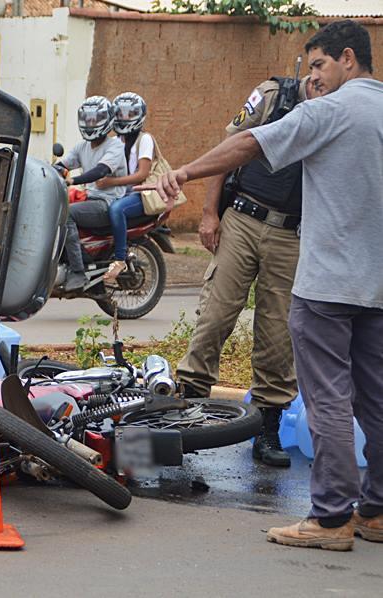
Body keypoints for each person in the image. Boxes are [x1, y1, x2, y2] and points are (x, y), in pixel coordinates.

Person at [149, 20, 382, 551]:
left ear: (349, 58)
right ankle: (376, 511)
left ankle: (329, 519)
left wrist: (182, 173)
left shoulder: (328, 111)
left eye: (321, 64)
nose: (314, 76)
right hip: (374, 284)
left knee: (326, 400)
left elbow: (247, 144)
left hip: (325, 283)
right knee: (375, 400)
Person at [175, 75, 316, 468]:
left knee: (277, 333)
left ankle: (266, 428)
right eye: (316, 68)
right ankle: (187, 410)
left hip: (293, 232)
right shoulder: (275, 95)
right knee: (215, 316)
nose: (322, 80)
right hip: (244, 218)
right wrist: (208, 213)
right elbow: (229, 149)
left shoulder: (334, 111)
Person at [92, 92, 167, 282]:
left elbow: (142, 174)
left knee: (117, 209)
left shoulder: (145, 139)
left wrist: (110, 183)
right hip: (122, 191)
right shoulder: (117, 141)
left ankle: (120, 259)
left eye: (129, 114)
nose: (124, 118)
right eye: (121, 113)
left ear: (139, 115)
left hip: (141, 192)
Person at [56, 95, 128, 292]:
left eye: (95, 119)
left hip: (107, 203)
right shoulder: (83, 146)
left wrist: (73, 180)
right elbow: (65, 163)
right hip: (90, 199)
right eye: (87, 119)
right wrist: (53, 169)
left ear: (106, 120)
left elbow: (101, 171)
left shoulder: (115, 146)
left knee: (67, 214)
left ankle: (78, 271)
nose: (90, 123)